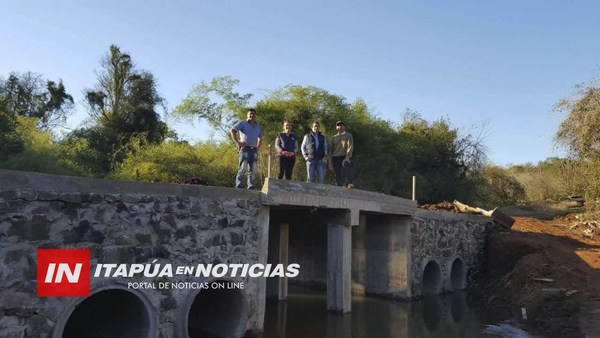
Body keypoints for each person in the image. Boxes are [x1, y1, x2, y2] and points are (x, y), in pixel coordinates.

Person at [230, 108, 262, 189]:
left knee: (253, 170)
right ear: (247, 115)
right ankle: (239, 185)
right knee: (242, 168)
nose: (252, 115)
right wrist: (238, 142)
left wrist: (258, 147)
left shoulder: (257, 126)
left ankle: (251, 186)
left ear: (255, 116)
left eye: (253, 114)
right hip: (245, 149)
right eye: (250, 114)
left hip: (254, 150)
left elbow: (261, 137)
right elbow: (233, 131)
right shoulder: (242, 123)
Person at [330, 121, 354, 188]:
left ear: (344, 127)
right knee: (337, 174)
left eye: (341, 125)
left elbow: (350, 147)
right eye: (338, 126)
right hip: (335, 157)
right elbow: (330, 150)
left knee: (347, 168)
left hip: (344, 156)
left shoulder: (348, 135)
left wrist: (347, 157)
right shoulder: (334, 137)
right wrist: (330, 162)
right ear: (336, 127)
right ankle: (338, 187)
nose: (339, 127)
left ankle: (349, 183)